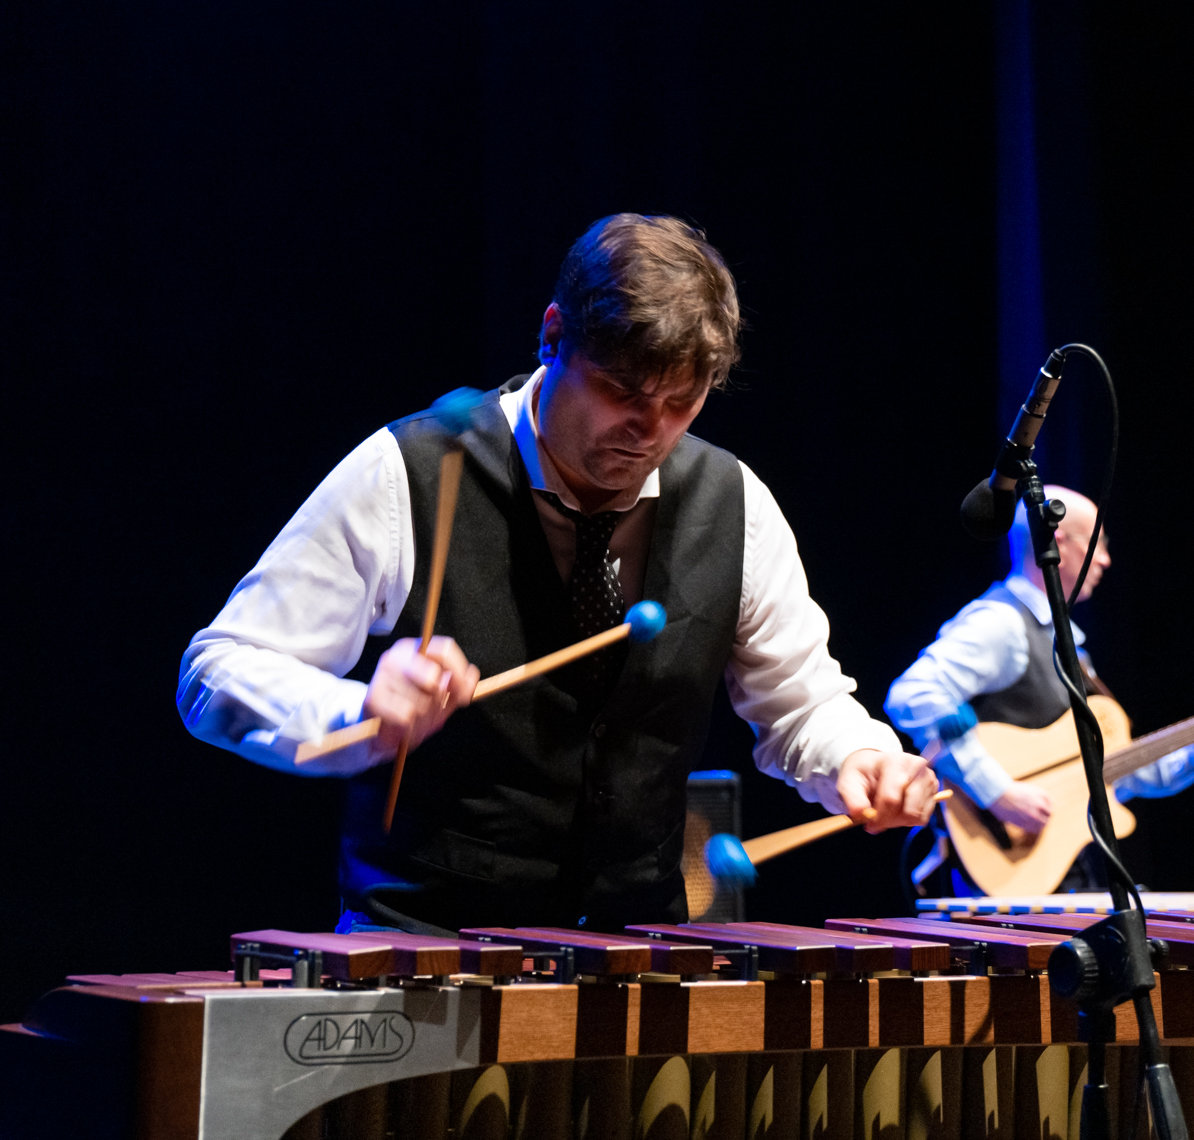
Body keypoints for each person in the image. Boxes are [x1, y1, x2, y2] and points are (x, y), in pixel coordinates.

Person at [179, 214, 937, 933]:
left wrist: (859, 759)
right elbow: (218, 670)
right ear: (552, 336)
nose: (650, 432)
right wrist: (361, 713)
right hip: (425, 955)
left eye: (682, 403)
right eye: (622, 393)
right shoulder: (409, 473)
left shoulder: (734, 503)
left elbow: (800, 704)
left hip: (639, 963)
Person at [884, 486, 1194, 889]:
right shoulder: (1002, 623)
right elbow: (914, 695)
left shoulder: (1067, 644)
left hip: (1063, 871)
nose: (1105, 558)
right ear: (1058, 542)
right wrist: (997, 792)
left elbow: (1119, 773)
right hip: (1005, 876)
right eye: (1097, 542)